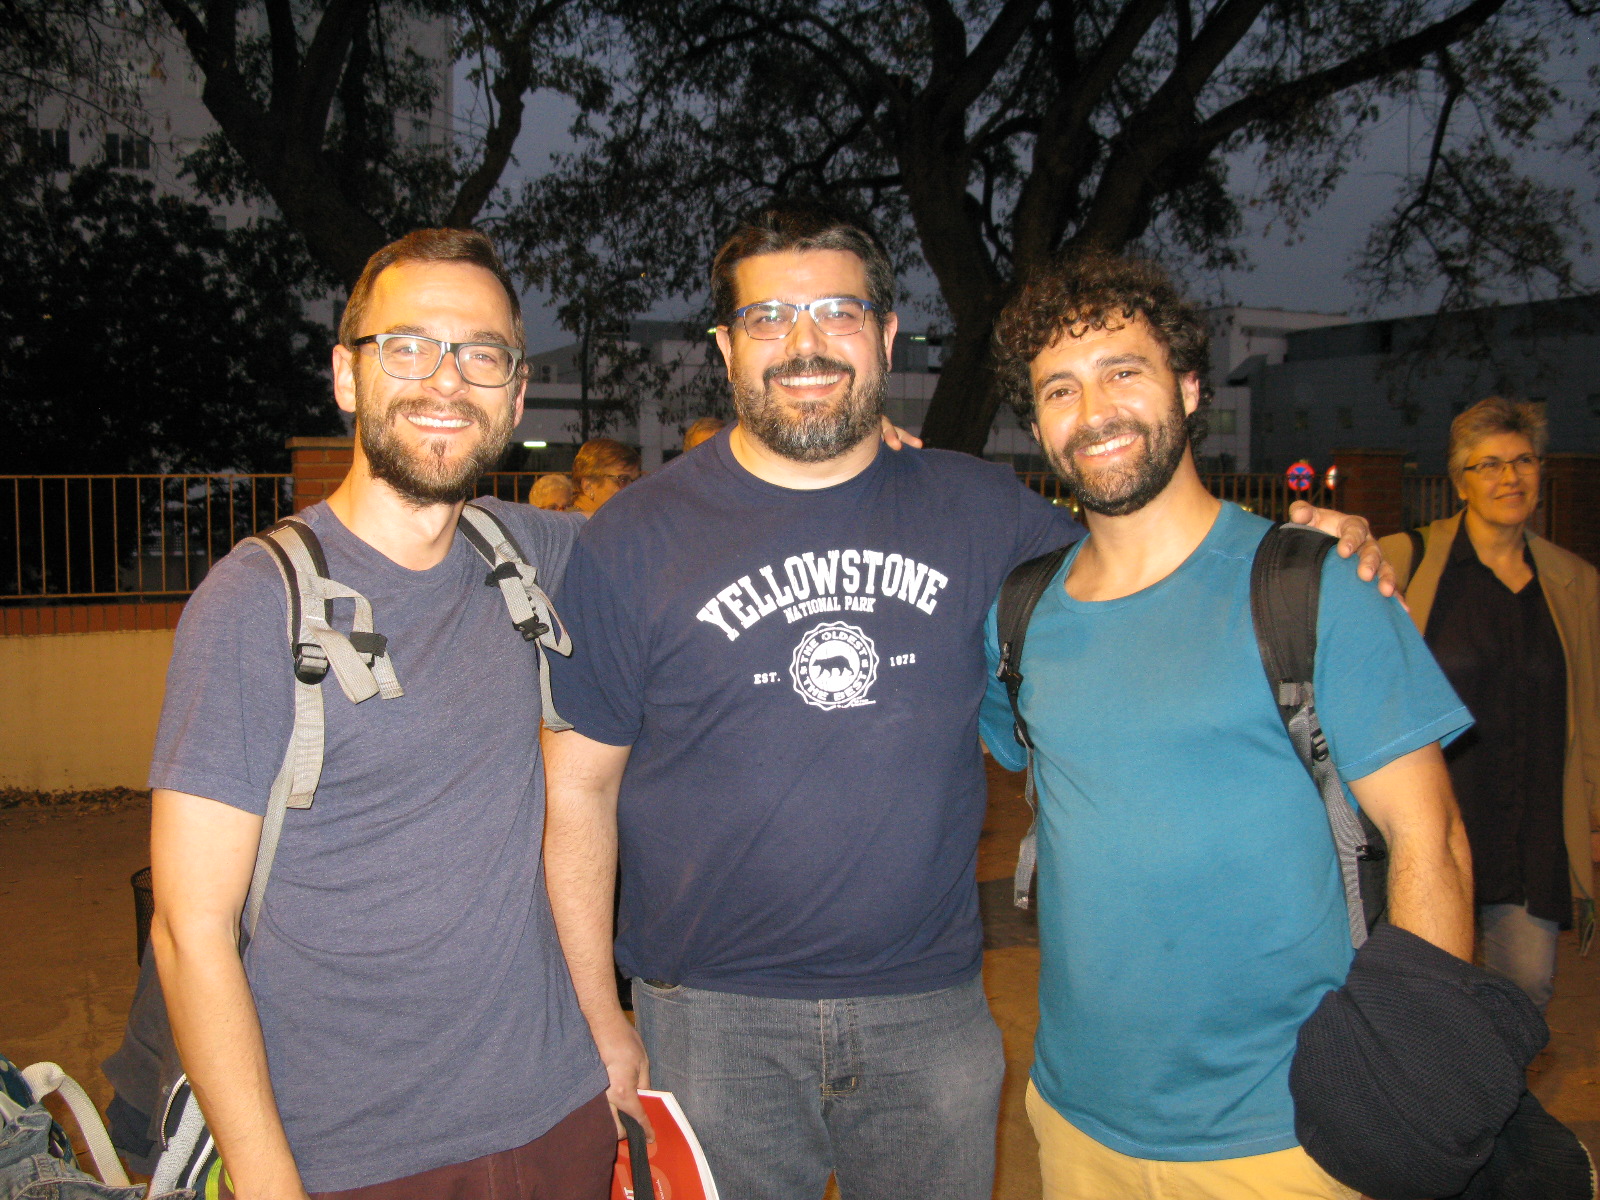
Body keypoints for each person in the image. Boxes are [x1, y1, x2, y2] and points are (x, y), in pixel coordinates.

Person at [540, 202, 1387, 1200]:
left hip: (929, 1013)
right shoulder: (632, 537)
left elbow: (1148, 561)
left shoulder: (981, 510)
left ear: (886, 335)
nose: (805, 343)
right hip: (710, 1021)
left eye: (838, 313)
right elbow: (576, 795)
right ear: (726, 348)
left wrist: (1296, 548)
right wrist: (598, 1017)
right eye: (769, 318)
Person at [980, 254, 1474, 1200]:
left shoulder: (1317, 585)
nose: (1095, 410)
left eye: (1124, 371)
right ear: (1037, 424)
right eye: (1060, 389)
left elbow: (1432, 839)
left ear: (1189, 386)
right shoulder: (1018, 615)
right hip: (1076, 1125)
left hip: (1293, 1133)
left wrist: (1414, 1085)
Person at [146, 228, 611, 1200]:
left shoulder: (526, 554)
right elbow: (190, 930)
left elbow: (693, 533)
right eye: (408, 346)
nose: (446, 379)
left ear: (516, 393)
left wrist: (858, 464)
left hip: (557, 1116)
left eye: (480, 353)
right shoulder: (255, 604)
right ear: (346, 377)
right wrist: (266, 1178)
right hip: (353, 1157)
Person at [1380, 396, 1600, 1013]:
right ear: (1460, 482)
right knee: (1430, 1001)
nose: (1510, 477)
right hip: (1434, 826)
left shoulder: (1574, 585)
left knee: (1525, 992)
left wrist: (1592, 817)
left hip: (1529, 835)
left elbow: (1589, 714)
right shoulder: (1404, 562)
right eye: (1490, 464)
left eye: (1524, 461)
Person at [570, 437, 642, 515]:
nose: (633, 490)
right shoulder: (569, 522)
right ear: (588, 487)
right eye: (623, 480)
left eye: (637, 482)